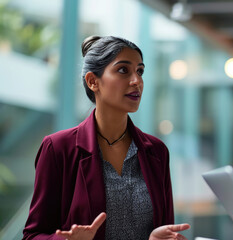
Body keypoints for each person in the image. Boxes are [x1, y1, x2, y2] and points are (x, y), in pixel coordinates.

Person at [23, 36, 190, 240]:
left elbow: (165, 228)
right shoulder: (58, 148)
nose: (137, 81)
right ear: (93, 81)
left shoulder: (156, 151)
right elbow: (32, 235)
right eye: (123, 70)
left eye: (140, 71)